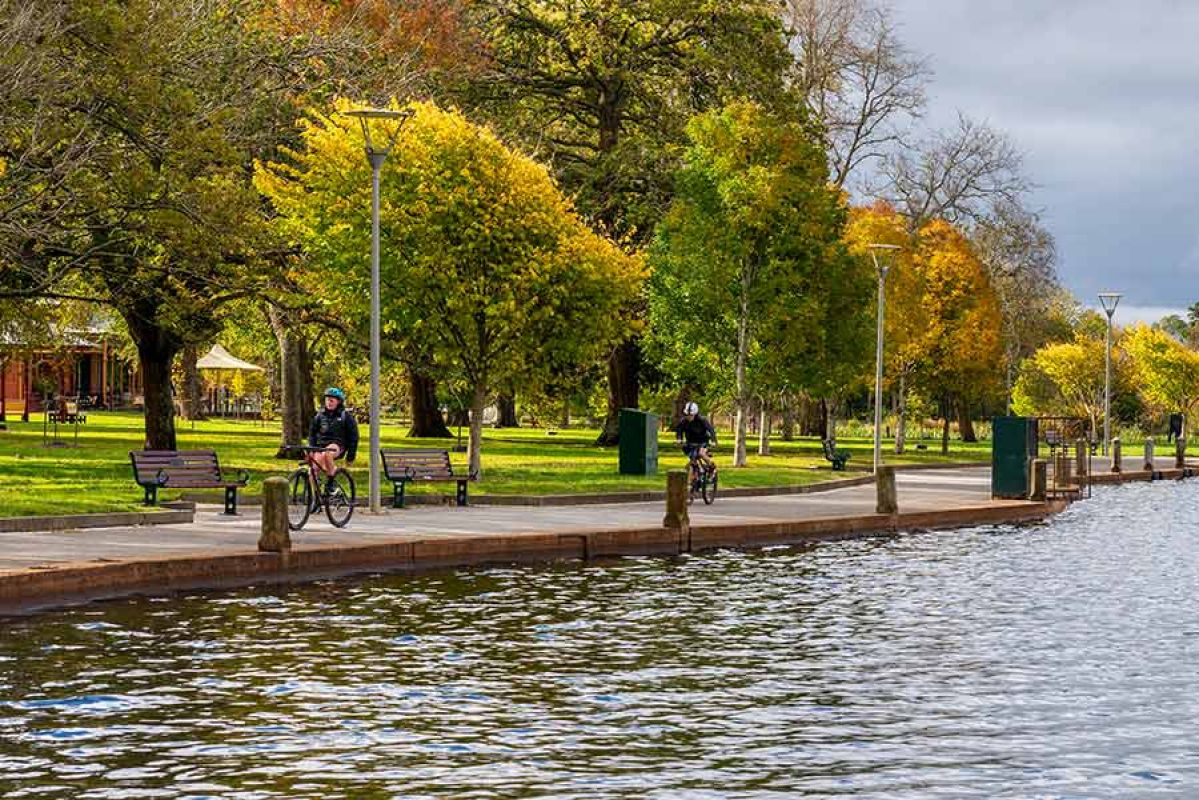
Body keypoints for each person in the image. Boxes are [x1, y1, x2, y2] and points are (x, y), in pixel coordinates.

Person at [308, 387, 359, 491]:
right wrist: (312, 449)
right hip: (321, 445)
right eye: (327, 400)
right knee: (313, 470)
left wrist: (350, 456)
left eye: (332, 400)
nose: (329, 403)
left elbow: (354, 436)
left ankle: (331, 482)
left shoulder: (345, 416)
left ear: (338, 402)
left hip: (337, 445)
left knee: (328, 453)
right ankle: (315, 497)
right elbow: (312, 433)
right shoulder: (320, 416)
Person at [673, 401, 717, 472]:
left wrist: (713, 441)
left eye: (691, 415)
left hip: (703, 442)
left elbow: (711, 430)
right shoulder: (683, 421)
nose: (689, 417)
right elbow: (679, 431)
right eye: (687, 415)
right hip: (690, 443)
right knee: (693, 459)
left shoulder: (702, 420)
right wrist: (679, 439)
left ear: (695, 414)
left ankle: (712, 467)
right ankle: (695, 475)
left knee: (701, 454)